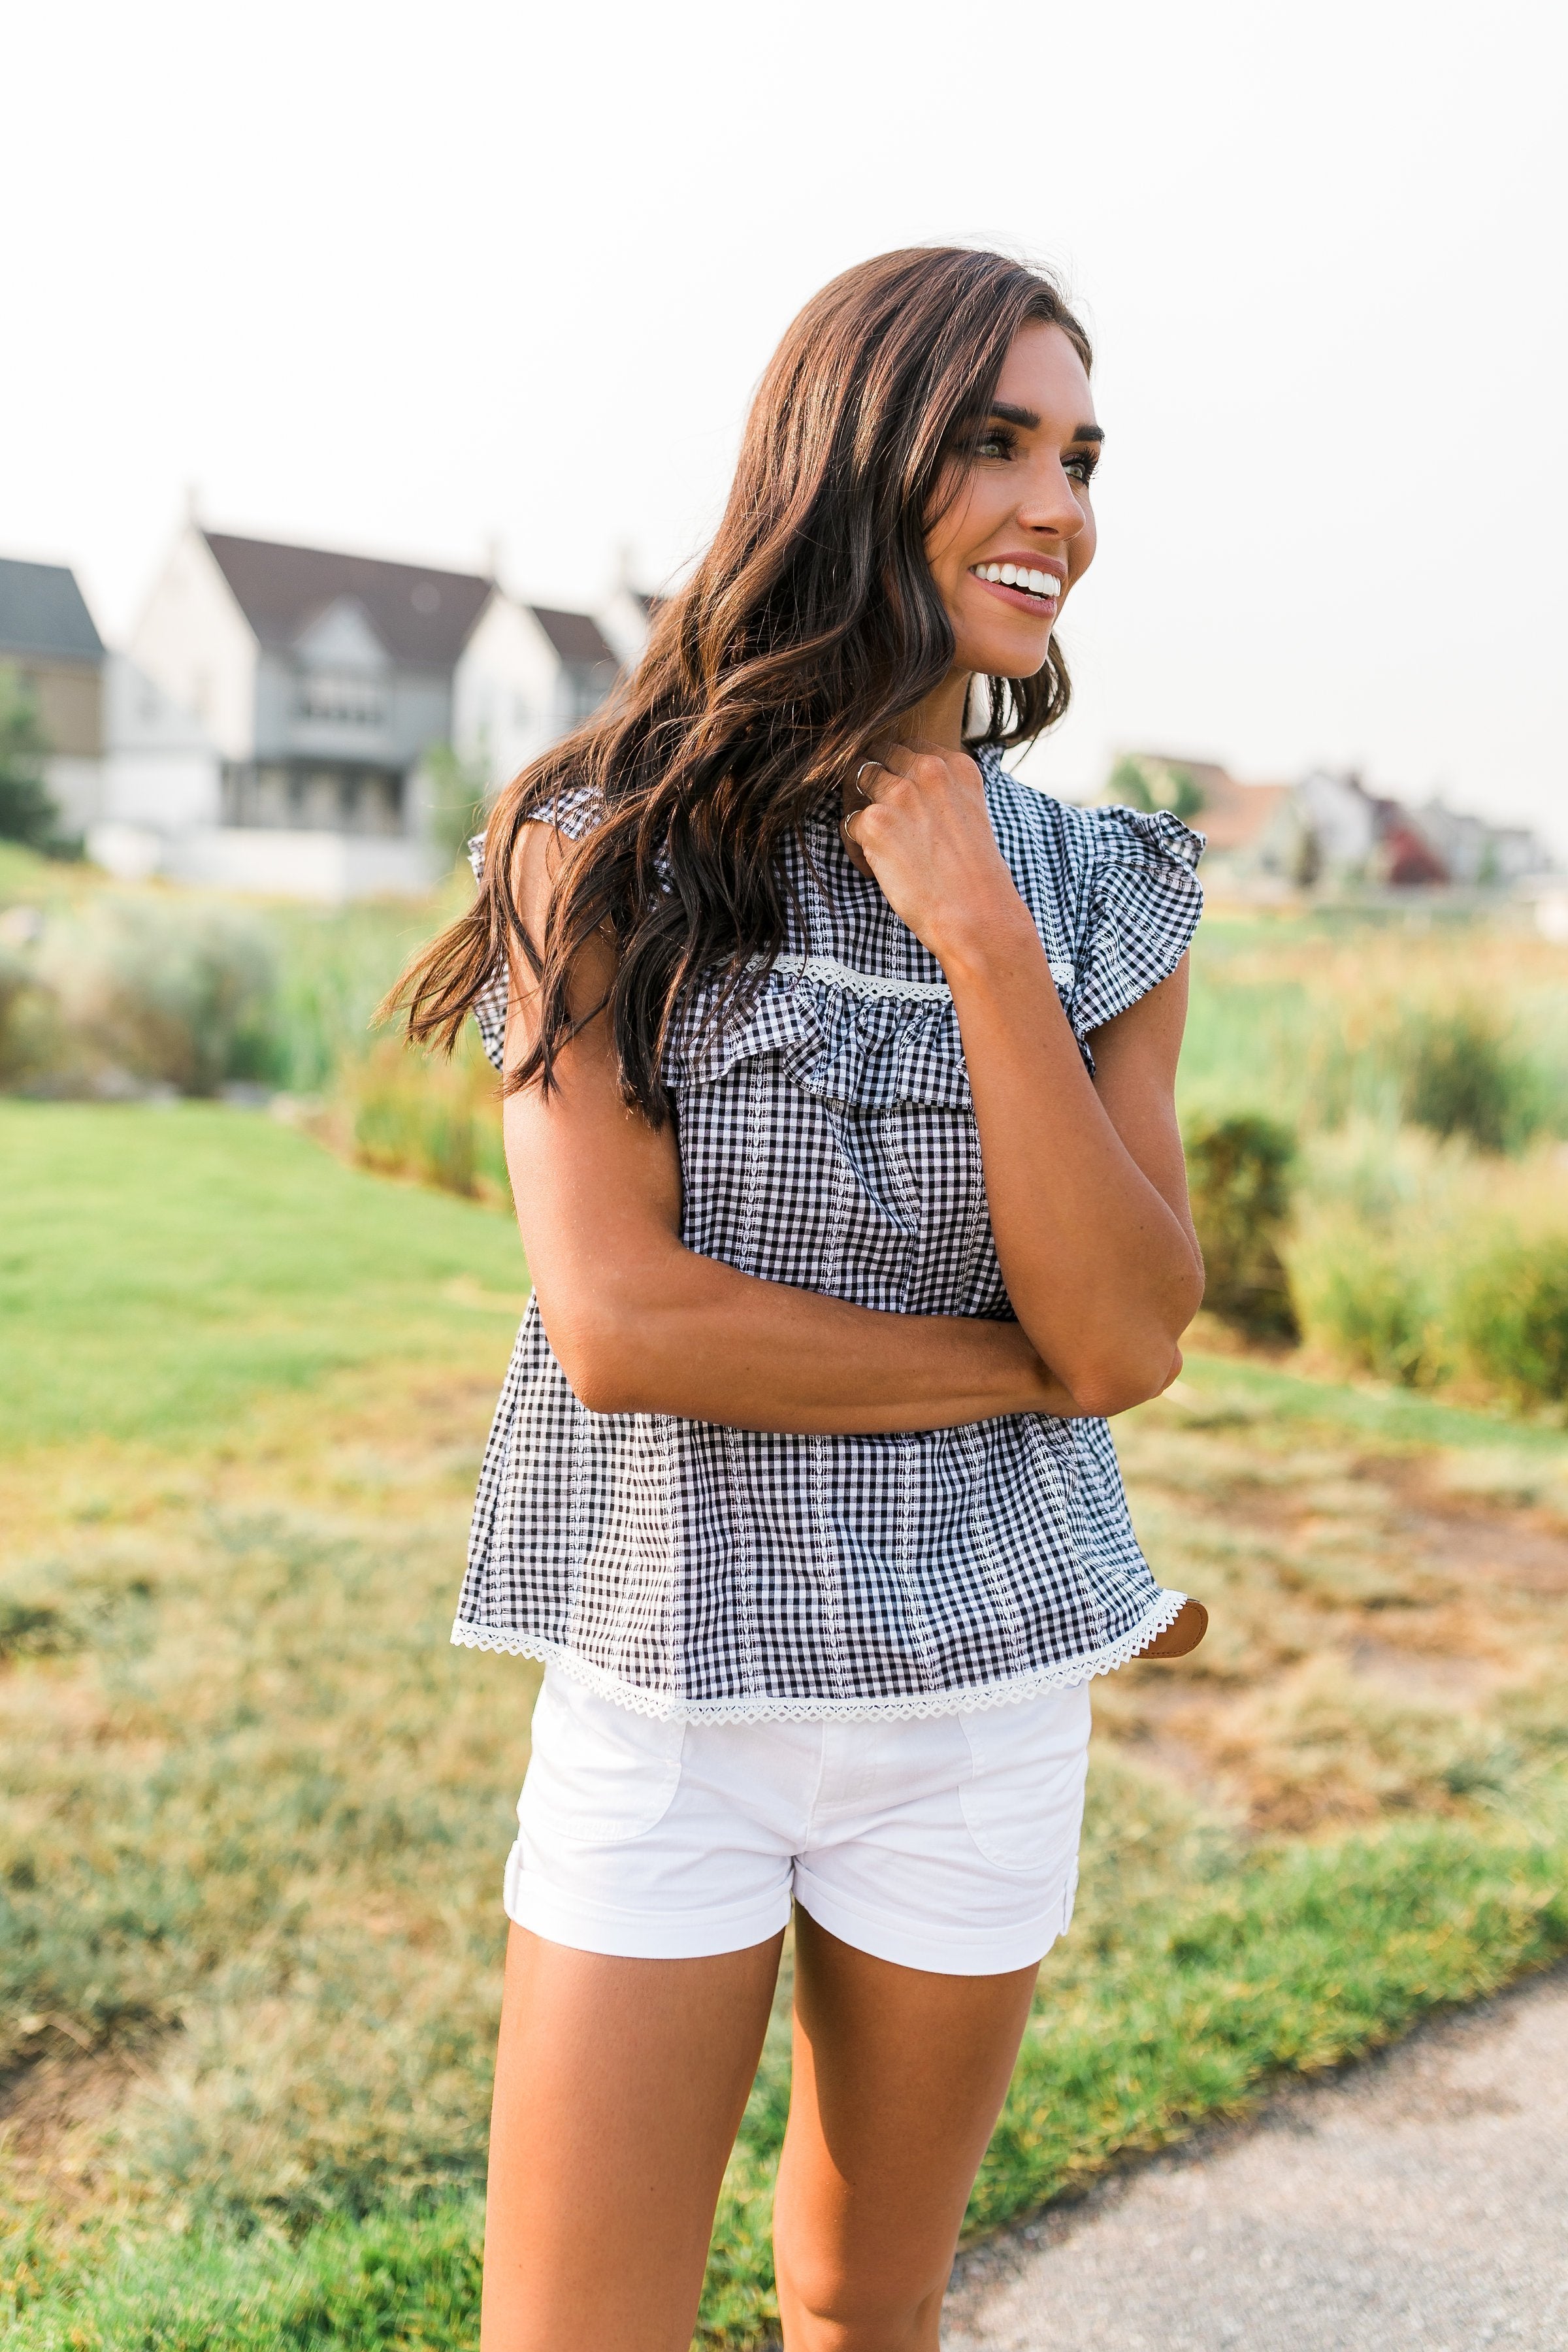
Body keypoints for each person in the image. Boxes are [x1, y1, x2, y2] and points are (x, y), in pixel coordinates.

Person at [391, 244, 1207, 2352]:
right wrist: (1018, 1376)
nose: (1057, 507)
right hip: (672, 1689)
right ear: (849, 458)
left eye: (1082, 459)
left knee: (864, 2304)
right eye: (996, 443)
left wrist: (983, 937)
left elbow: (1130, 1335)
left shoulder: (1109, 890)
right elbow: (628, 1328)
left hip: (982, 1704)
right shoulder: (600, 845)